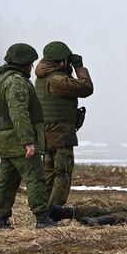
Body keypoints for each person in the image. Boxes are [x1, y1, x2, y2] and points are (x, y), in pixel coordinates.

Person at [0, 43, 56, 229]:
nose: (32, 66)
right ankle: (42, 219)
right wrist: (28, 142)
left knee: (7, 181)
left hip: (5, 140)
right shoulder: (17, 82)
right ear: (23, 63)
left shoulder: (1, 79)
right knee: (35, 177)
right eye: (30, 62)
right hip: (18, 140)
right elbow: (19, 113)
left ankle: (0, 220)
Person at [35, 41, 94, 206]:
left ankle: (43, 210)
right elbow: (86, 88)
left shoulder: (42, 78)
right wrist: (79, 67)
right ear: (61, 60)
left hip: (46, 132)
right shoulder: (57, 80)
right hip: (59, 133)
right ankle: (54, 211)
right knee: (62, 173)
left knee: (48, 173)